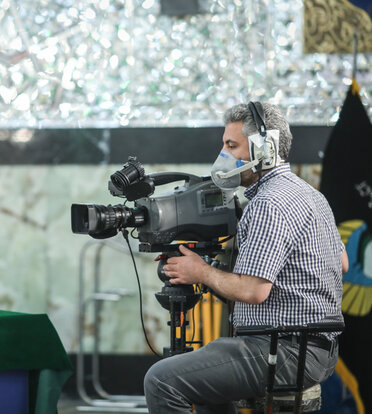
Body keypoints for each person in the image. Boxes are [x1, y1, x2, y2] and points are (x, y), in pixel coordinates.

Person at [143, 102, 348, 414]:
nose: (223, 154)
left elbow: (254, 291)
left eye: (231, 145)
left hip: (283, 349)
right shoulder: (310, 194)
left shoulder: (268, 202)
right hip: (312, 348)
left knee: (162, 380)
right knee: (206, 379)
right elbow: (342, 263)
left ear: (263, 150)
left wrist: (200, 272)